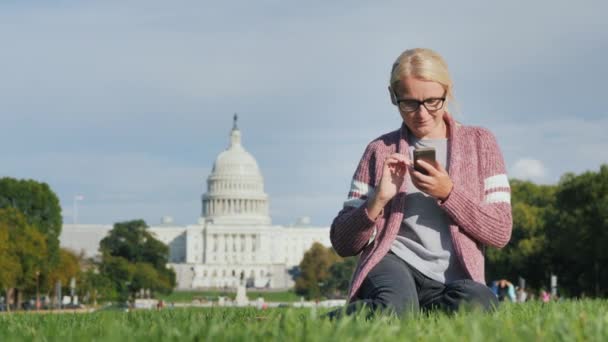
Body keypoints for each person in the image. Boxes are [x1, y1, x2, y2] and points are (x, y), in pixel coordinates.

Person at [328, 48, 512, 318]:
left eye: (432, 101)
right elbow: (343, 243)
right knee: (396, 310)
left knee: (482, 306)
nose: (422, 113)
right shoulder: (379, 150)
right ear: (394, 97)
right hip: (394, 261)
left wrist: (448, 193)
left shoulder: (481, 143)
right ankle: (327, 326)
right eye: (410, 103)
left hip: (454, 279)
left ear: (447, 92)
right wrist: (376, 201)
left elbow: (500, 232)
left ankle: (418, 308)